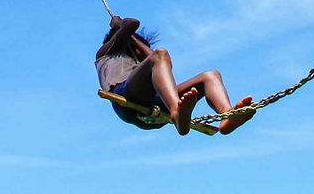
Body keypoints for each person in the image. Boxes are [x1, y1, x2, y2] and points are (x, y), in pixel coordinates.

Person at [95, 16, 254, 135]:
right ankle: (176, 111)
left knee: (211, 75)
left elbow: (154, 57)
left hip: (155, 104)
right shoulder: (106, 54)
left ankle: (227, 114)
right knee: (159, 55)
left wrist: (137, 43)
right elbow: (132, 24)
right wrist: (118, 26)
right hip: (125, 99)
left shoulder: (149, 63)